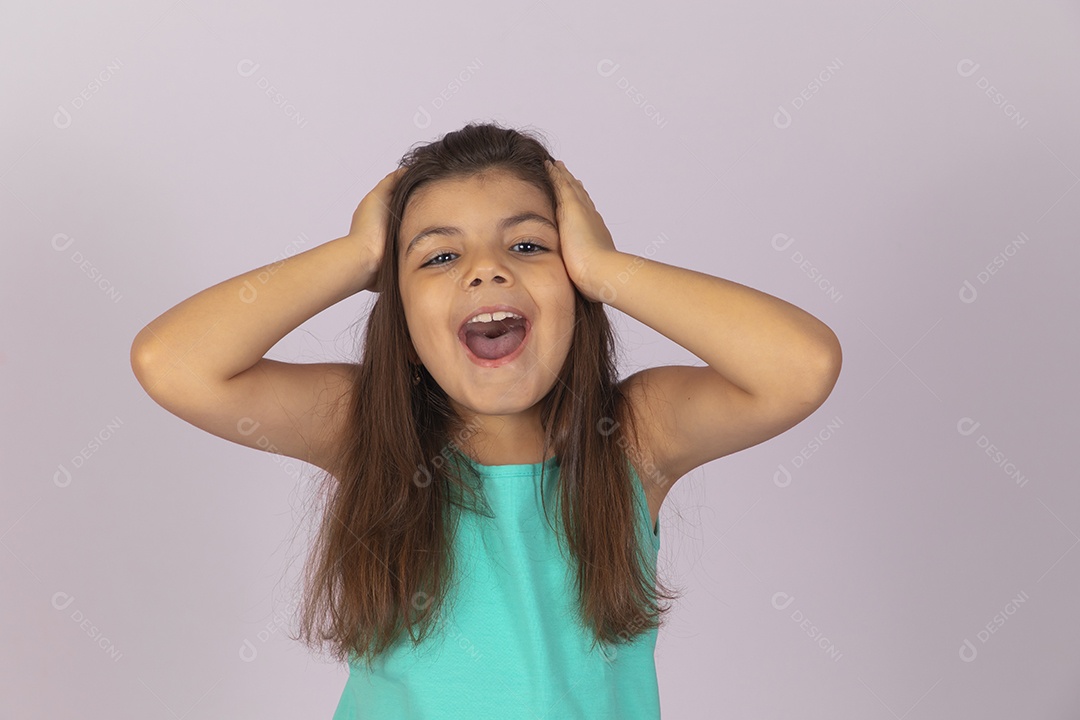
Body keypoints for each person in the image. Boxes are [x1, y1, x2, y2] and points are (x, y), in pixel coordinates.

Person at [129, 121, 842, 719]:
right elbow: (173, 362)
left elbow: (800, 367)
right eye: (440, 256)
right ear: (399, 312)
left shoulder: (633, 434)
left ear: (577, 287)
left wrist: (608, 267)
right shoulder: (368, 430)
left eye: (528, 245)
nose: (487, 271)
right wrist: (355, 256)